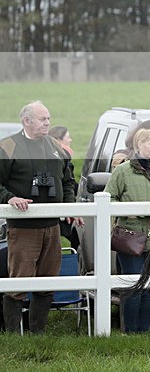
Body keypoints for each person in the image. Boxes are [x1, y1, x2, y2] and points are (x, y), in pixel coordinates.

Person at [0, 101, 84, 334]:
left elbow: (68, 182)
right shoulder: (7, 147)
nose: (47, 123)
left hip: (52, 227)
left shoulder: (56, 148)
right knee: (18, 284)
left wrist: (70, 208)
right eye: (41, 119)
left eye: (48, 118)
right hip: (23, 228)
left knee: (47, 282)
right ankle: (13, 335)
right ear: (26, 121)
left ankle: (38, 334)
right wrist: (9, 198)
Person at [106, 128, 150, 334]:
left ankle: (144, 331)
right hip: (131, 237)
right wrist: (127, 214)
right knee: (133, 285)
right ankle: (130, 331)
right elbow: (109, 198)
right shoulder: (123, 171)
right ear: (138, 146)